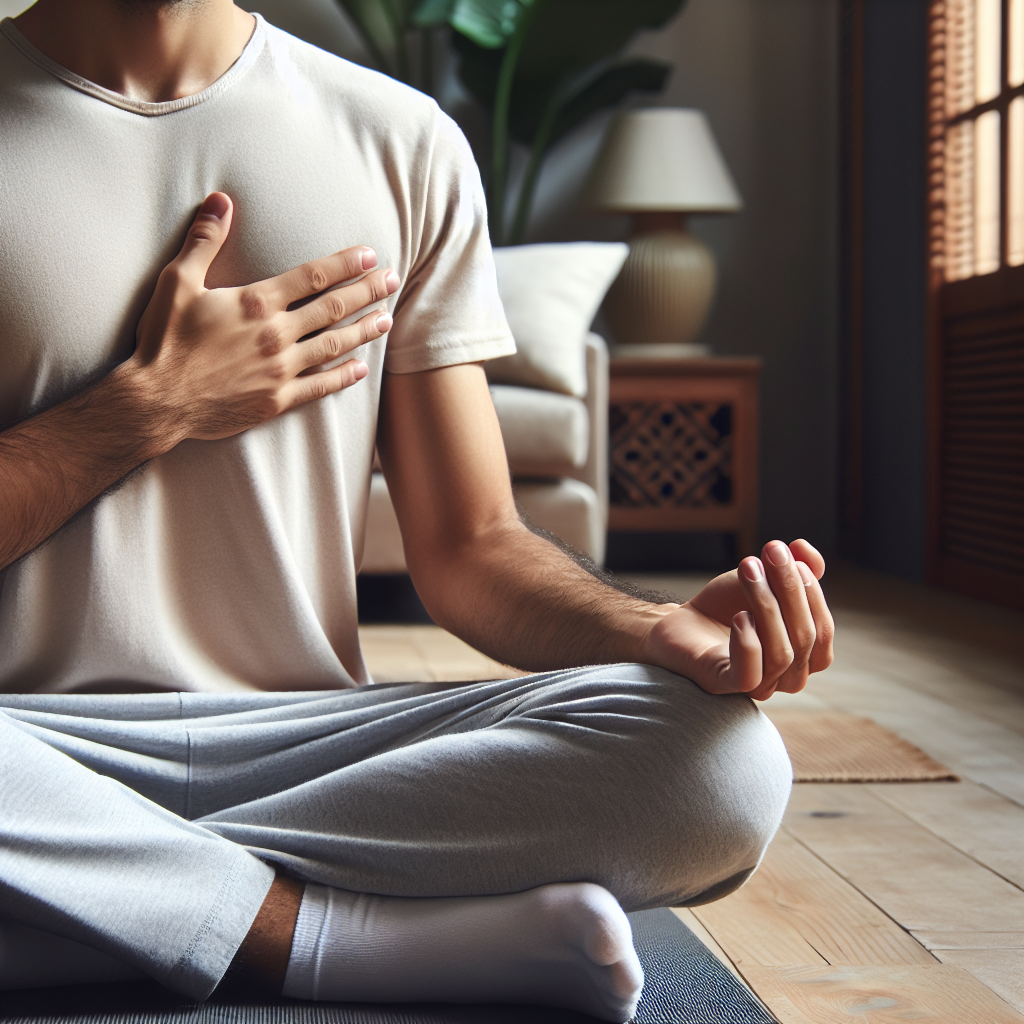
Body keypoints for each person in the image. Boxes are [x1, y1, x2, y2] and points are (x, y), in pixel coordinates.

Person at [0, 1, 834, 1019]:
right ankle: (312, 937)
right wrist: (145, 409)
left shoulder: (401, 140)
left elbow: (472, 545)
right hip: (22, 746)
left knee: (725, 766)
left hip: (313, 751)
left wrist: (653, 628)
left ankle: (92, 904)